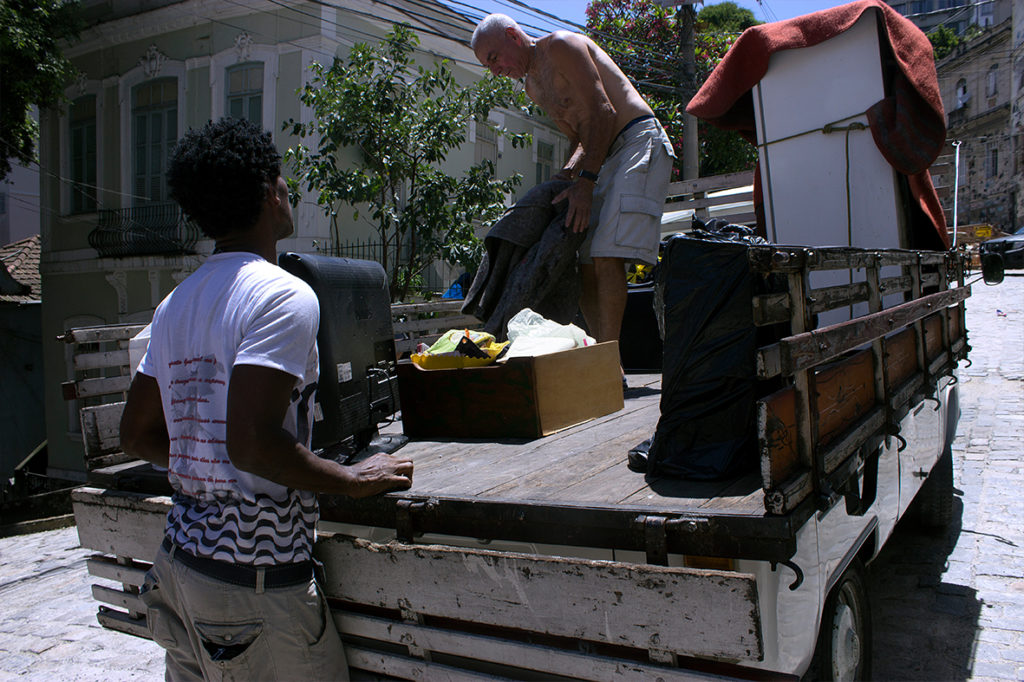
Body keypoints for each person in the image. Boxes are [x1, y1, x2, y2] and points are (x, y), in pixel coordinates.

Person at [119, 117, 413, 681]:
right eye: (281, 179)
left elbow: (136, 435)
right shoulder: (283, 296)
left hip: (181, 569)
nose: (288, 191)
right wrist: (351, 479)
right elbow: (252, 444)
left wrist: (205, 459)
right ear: (264, 194)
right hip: (251, 586)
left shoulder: (176, 303)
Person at [471, 14, 674, 373]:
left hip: (637, 140)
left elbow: (604, 111)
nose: (496, 70)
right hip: (603, 154)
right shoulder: (533, 87)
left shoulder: (562, 46)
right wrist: (566, 177)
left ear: (512, 35)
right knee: (577, 259)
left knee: (606, 255)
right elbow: (580, 138)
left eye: (493, 58)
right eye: (489, 66)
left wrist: (585, 182)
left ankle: (610, 367)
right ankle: (605, 363)